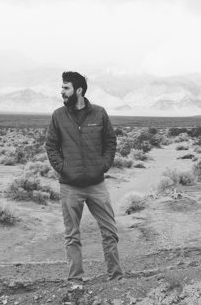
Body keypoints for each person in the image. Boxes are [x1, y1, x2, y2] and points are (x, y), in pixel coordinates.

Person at [45, 71, 123, 283]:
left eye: (66, 88)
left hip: (96, 184)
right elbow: (51, 146)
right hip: (70, 186)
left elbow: (110, 141)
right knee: (72, 235)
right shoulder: (58, 115)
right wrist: (63, 168)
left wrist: (103, 165)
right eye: (62, 87)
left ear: (78, 90)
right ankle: (75, 280)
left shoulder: (99, 113)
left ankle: (116, 279)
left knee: (109, 232)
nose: (62, 92)